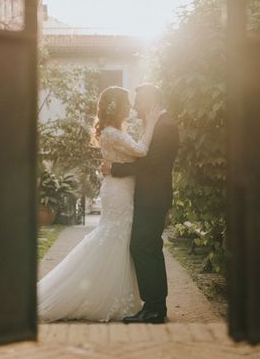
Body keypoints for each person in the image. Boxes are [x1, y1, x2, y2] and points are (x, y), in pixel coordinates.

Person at [37, 86, 161, 322]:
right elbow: (142, 150)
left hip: (120, 189)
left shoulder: (113, 131)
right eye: (126, 103)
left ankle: (119, 296)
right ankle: (98, 296)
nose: (129, 107)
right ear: (116, 107)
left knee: (119, 240)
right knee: (116, 238)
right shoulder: (111, 133)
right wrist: (152, 122)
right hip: (118, 193)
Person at [102, 83, 179, 324]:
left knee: (142, 247)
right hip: (149, 197)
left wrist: (115, 168)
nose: (134, 105)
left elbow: (151, 164)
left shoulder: (165, 126)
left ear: (151, 101)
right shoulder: (158, 124)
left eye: (138, 100)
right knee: (149, 248)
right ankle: (156, 307)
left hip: (153, 198)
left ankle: (154, 307)